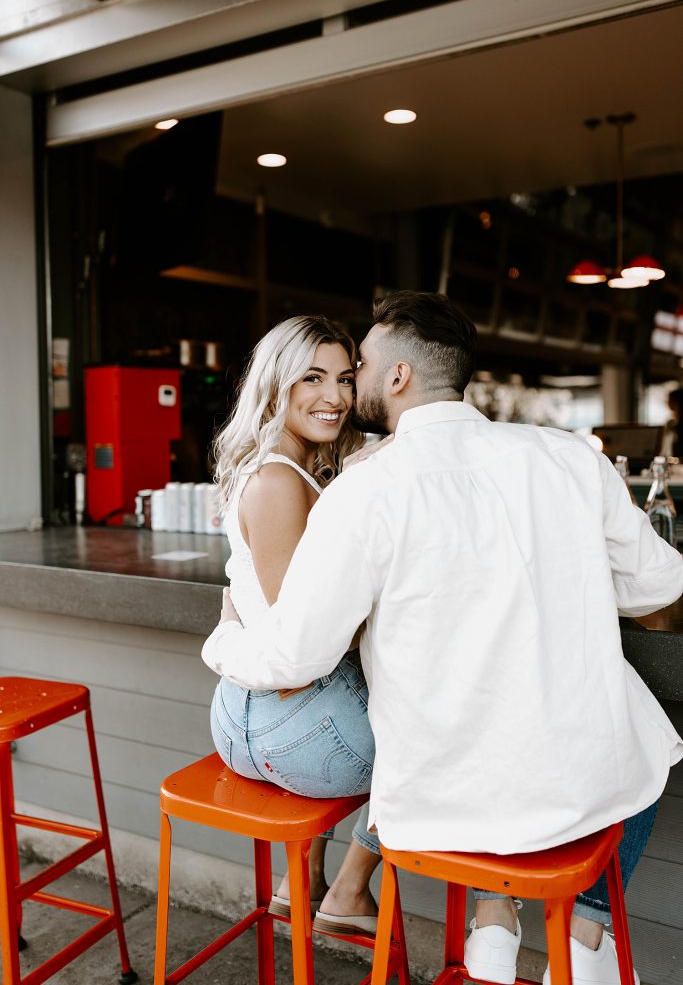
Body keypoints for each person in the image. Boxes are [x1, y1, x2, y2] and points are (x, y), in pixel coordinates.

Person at [203, 291, 683, 984]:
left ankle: (493, 925)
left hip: (441, 805)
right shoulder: (568, 458)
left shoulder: (362, 492)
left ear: (396, 377)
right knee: (639, 740)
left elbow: (295, 655)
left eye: (356, 367)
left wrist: (220, 643)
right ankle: (584, 937)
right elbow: (656, 584)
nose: (347, 386)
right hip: (575, 787)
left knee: (503, 738)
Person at [209, 314, 381, 935]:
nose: (333, 397)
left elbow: (249, 599)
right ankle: (349, 888)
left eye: (343, 378)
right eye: (312, 377)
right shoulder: (280, 480)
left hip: (245, 716)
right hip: (291, 729)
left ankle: (298, 875)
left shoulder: (283, 468)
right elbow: (300, 638)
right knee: (438, 734)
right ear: (275, 384)